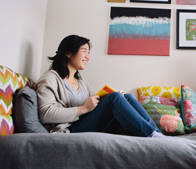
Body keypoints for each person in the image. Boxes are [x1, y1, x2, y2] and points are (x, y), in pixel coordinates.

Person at [36, 34, 166, 137]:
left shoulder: (80, 82)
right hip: (69, 130)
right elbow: (45, 113)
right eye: (84, 51)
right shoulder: (50, 78)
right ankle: (151, 135)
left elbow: (96, 103)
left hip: (85, 124)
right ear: (68, 53)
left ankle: (156, 133)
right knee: (115, 98)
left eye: (89, 53)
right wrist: (83, 109)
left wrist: (101, 99)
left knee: (127, 97)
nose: (88, 57)